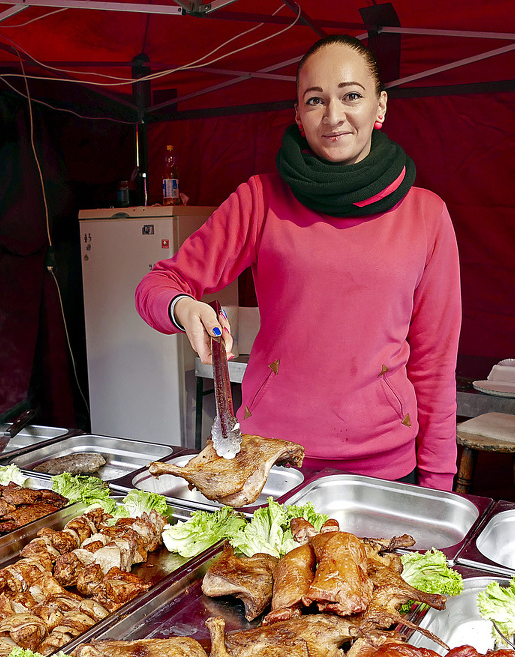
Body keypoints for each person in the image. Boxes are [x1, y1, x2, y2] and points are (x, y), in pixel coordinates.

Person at [135, 34, 461, 490]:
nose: (334, 116)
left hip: (385, 469)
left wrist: (439, 483)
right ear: (297, 115)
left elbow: (435, 366)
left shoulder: (427, 215)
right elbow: (158, 284)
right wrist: (184, 308)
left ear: (380, 107)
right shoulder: (260, 199)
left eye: (351, 96)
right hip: (271, 461)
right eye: (315, 100)